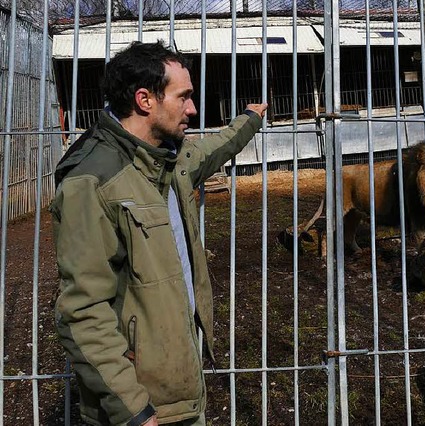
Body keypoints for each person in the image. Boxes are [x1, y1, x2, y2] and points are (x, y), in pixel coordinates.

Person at [50, 41, 267, 426]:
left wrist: (250, 118)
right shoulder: (92, 179)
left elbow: (216, 147)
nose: (193, 109)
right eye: (183, 97)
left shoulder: (169, 157)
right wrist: (132, 410)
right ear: (145, 99)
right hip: (143, 406)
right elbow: (83, 312)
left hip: (178, 391)